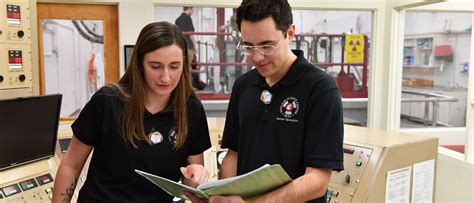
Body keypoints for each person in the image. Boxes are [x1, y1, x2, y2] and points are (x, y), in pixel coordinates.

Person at [188, 0, 344, 202]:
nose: (257, 56)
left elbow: (317, 181)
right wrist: (221, 196)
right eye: (248, 46)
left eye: (266, 45)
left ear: (289, 33)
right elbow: (233, 155)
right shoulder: (243, 86)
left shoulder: (320, 89)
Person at [52, 21, 212, 202]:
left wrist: (196, 177)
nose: (166, 77)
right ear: (140, 63)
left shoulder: (192, 110)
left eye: (174, 66)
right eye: (156, 66)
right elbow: (71, 166)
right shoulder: (108, 102)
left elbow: (190, 186)